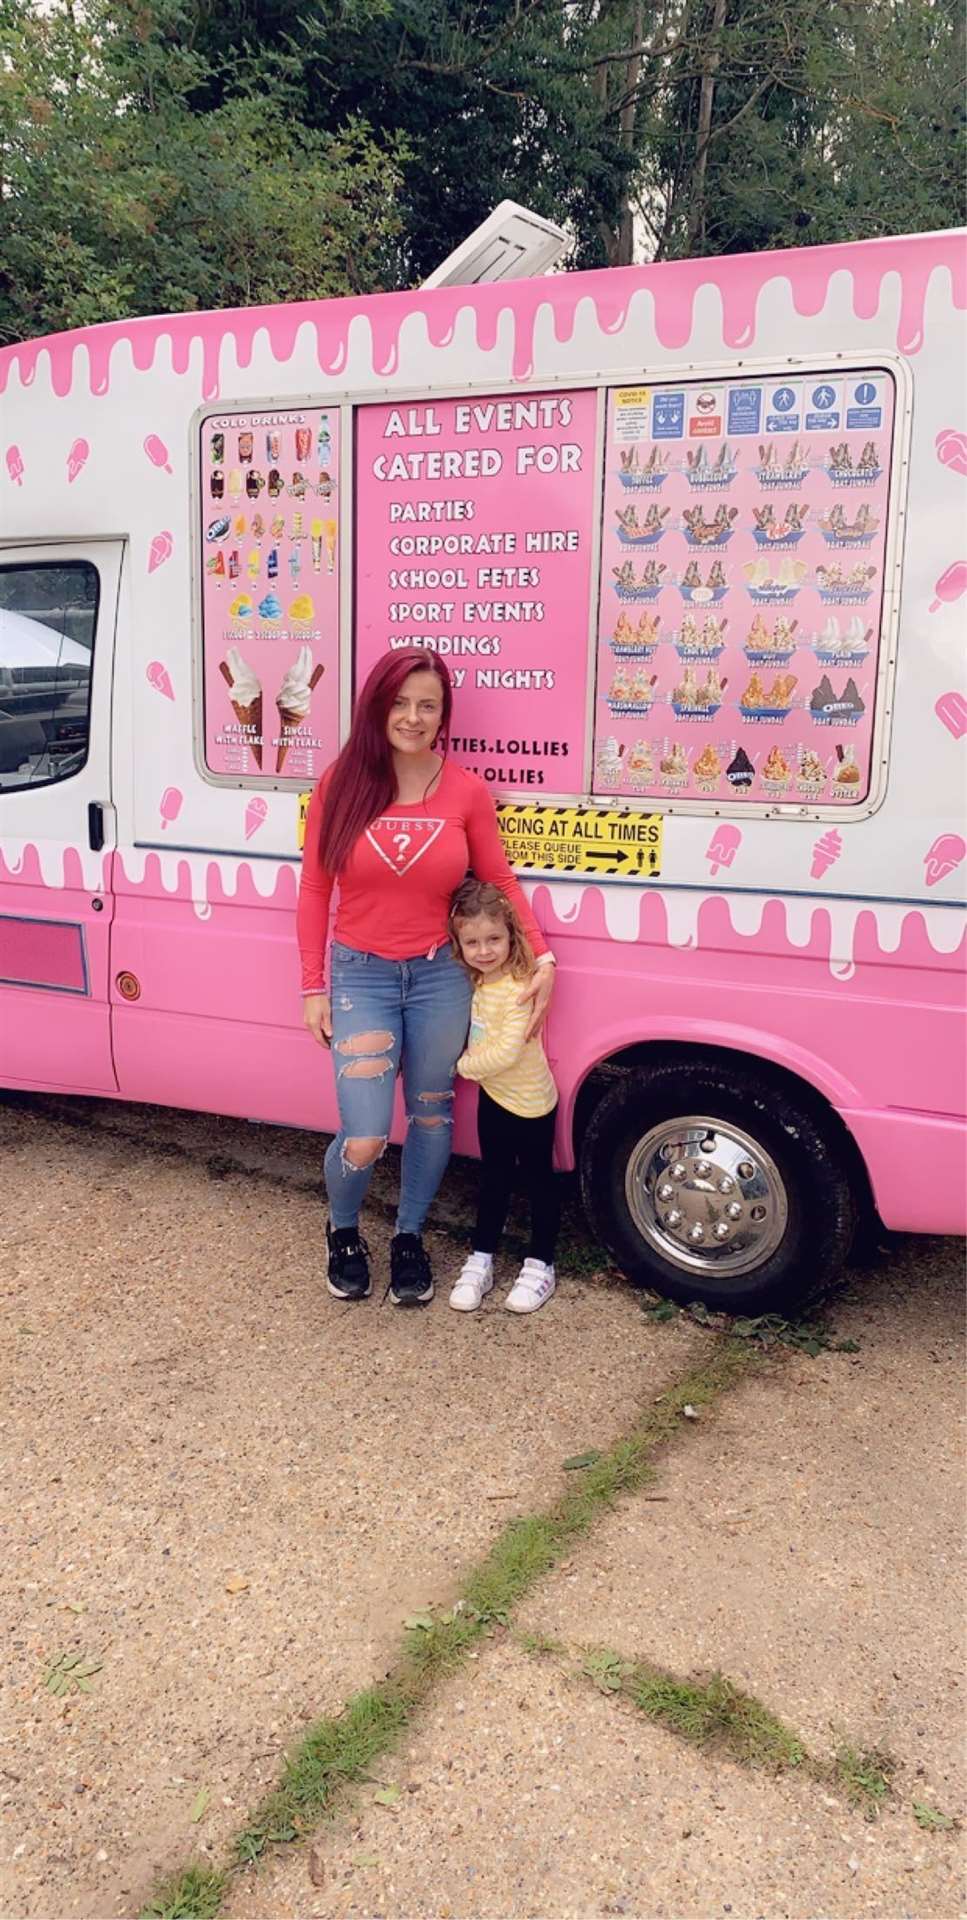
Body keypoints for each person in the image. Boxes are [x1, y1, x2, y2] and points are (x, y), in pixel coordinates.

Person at [297, 649, 556, 1306]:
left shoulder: (465, 791)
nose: (412, 717)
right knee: (364, 1133)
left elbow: (496, 879)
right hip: (362, 976)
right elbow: (313, 888)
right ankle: (344, 1230)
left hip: (442, 978)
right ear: (376, 704)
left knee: (432, 1117)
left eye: (428, 704)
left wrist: (542, 955)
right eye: (400, 701)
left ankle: (408, 1236)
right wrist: (312, 986)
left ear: (443, 714)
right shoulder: (340, 783)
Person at [447, 880, 560, 1315]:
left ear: (511, 935)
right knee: (493, 1179)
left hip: (531, 1103)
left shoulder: (519, 985)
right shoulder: (478, 981)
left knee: (538, 1184)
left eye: (494, 939)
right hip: (496, 1099)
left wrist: (459, 1066)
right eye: (472, 941)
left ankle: (541, 1263)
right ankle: (481, 1258)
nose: (484, 949)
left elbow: (507, 1051)